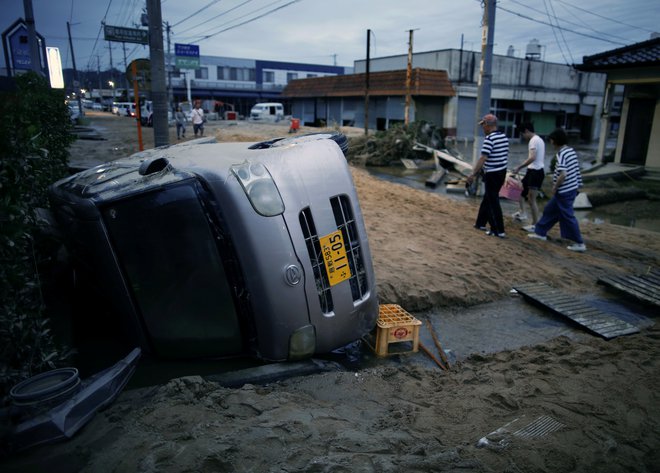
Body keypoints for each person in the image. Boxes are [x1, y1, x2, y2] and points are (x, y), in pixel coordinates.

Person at [528, 128, 586, 252]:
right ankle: (540, 232)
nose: (551, 143)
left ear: (555, 141)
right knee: (550, 210)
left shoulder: (562, 154)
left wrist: (555, 187)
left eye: (551, 141)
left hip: (564, 190)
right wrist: (578, 186)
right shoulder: (571, 151)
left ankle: (579, 243)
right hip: (571, 188)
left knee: (567, 216)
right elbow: (576, 170)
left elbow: (563, 174)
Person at [467, 113, 509, 238]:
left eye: (483, 125)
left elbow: (483, 158)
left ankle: (498, 230)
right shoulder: (504, 137)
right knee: (489, 198)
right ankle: (480, 223)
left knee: (492, 201)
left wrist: (473, 174)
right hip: (502, 171)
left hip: (492, 173)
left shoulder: (489, 139)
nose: (482, 128)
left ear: (487, 125)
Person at [513, 122, 545, 231]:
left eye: (522, 134)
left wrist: (519, 167)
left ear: (526, 131)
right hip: (532, 170)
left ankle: (536, 225)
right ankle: (523, 213)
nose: (523, 137)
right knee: (522, 191)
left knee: (532, 200)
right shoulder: (539, 139)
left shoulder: (533, 141)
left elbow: (532, 157)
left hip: (535, 172)